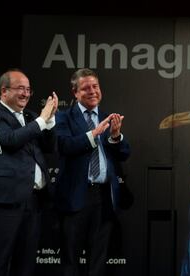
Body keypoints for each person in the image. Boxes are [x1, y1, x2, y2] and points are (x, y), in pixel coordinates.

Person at [0, 68, 58, 276]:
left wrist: (49, 121)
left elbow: (50, 147)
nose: (25, 93)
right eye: (20, 89)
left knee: (25, 266)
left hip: (32, 202)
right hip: (4, 203)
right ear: (4, 91)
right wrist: (41, 120)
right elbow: (11, 141)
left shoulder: (32, 116)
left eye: (28, 90)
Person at [54, 68, 130, 276]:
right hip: (76, 196)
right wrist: (93, 134)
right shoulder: (63, 117)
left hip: (104, 196)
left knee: (98, 258)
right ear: (75, 92)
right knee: (70, 257)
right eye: (86, 88)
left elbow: (124, 154)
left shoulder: (108, 117)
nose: (92, 91)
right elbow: (64, 145)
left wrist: (115, 136)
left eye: (95, 86)